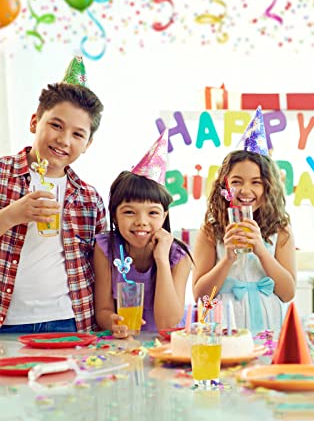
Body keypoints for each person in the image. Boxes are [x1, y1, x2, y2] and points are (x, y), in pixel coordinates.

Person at [0, 56, 105, 333]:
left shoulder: (89, 199)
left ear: (88, 144)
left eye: (78, 134)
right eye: (56, 125)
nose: (64, 140)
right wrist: (11, 216)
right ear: (35, 121)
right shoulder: (2, 175)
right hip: (7, 321)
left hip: (69, 321)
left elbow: (100, 268)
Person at [192, 107, 296, 334]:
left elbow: (288, 292)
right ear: (225, 185)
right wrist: (227, 258)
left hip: (267, 325)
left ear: (268, 187)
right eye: (237, 181)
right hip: (223, 324)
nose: (245, 190)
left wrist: (261, 250)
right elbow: (200, 296)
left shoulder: (280, 228)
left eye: (256, 182)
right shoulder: (211, 230)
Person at [93, 131, 192, 338]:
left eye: (152, 213)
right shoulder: (105, 248)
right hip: (122, 345)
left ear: (164, 216)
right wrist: (113, 322)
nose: (141, 221)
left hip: (164, 347)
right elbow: (102, 310)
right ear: (115, 215)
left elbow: (167, 324)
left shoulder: (178, 257)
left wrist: (162, 260)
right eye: (129, 212)